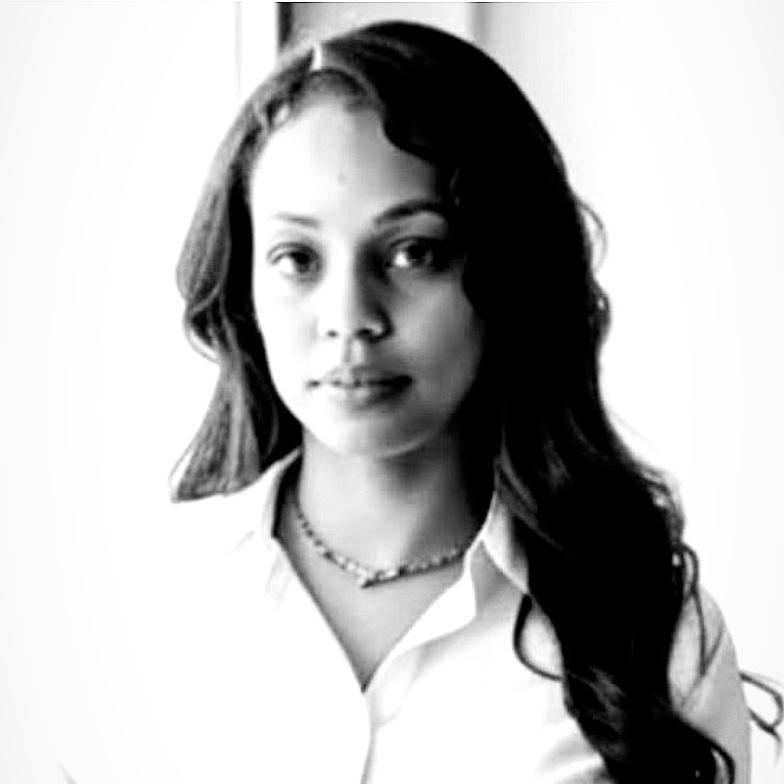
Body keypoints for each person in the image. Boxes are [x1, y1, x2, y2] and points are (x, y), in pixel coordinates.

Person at [171, 20, 780, 784]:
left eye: (413, 252)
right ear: (244, 287)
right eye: (297, 258)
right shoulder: (155, 603)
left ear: (512, 271)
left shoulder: (655, 643)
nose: (349, 315)